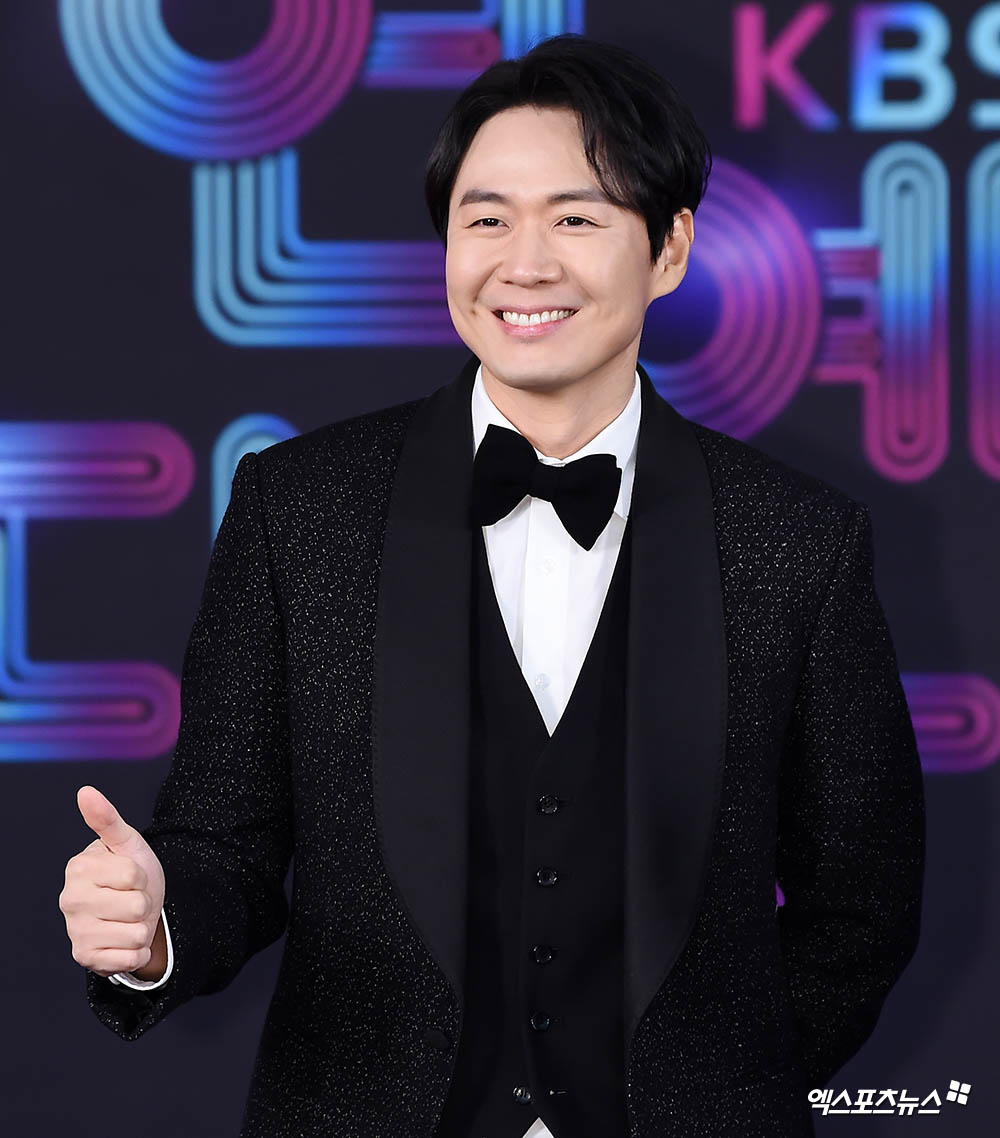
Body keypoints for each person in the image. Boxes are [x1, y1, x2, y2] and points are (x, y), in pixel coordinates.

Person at [58, 32, 925, 1138]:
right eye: (486, 219)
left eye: (576, 219)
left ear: (668, 249)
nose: (525, 264)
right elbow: (225, 845)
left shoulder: (797, 539)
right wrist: (155, 930)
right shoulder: (299, 508)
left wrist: (716, 1083)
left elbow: (862, 901)